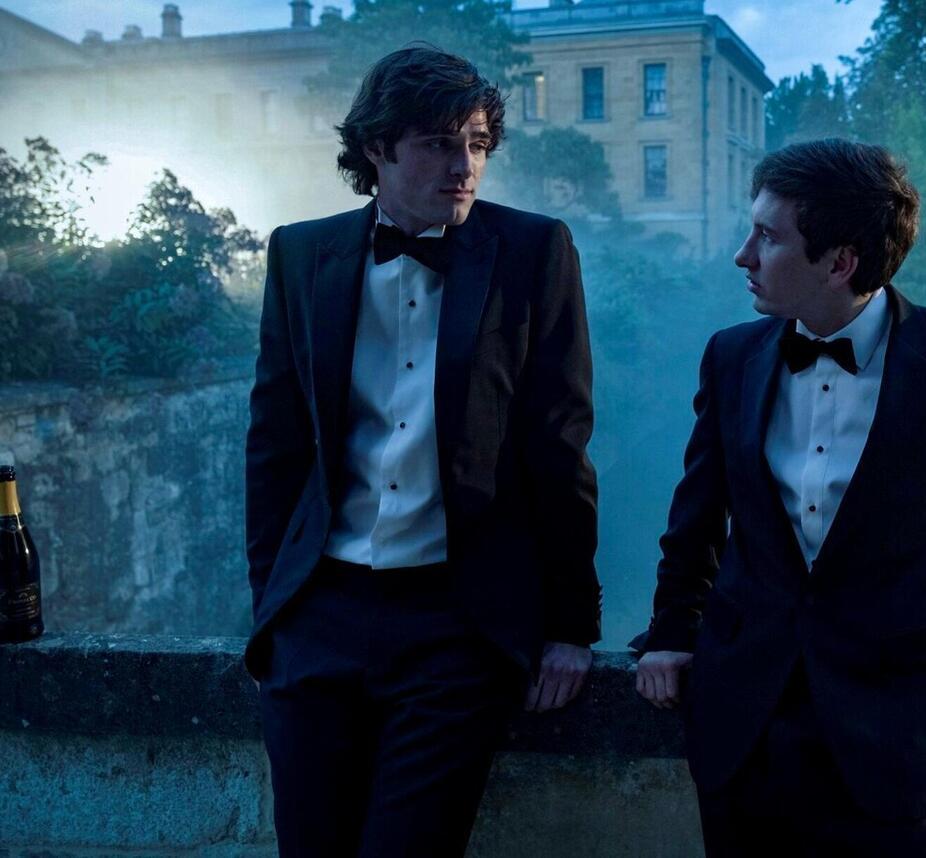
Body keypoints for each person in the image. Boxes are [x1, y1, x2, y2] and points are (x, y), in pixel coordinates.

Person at [633, 139, 926, 856]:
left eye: (768, 237)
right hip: (744, 716)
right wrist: (670, 633)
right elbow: (697, 516)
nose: (743, 255)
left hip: (897, 726)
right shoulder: (731, 356)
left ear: (840, 262)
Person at [244, 45, 600, 857]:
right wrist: (273, 612)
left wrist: (571, 627)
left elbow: (559, 447)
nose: (464, 166)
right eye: (440, 144)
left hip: (457, 623)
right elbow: (275, 447)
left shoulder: (535, 252)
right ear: (377, 148)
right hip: (319, 616)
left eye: (477, 144)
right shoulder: (301, 255)